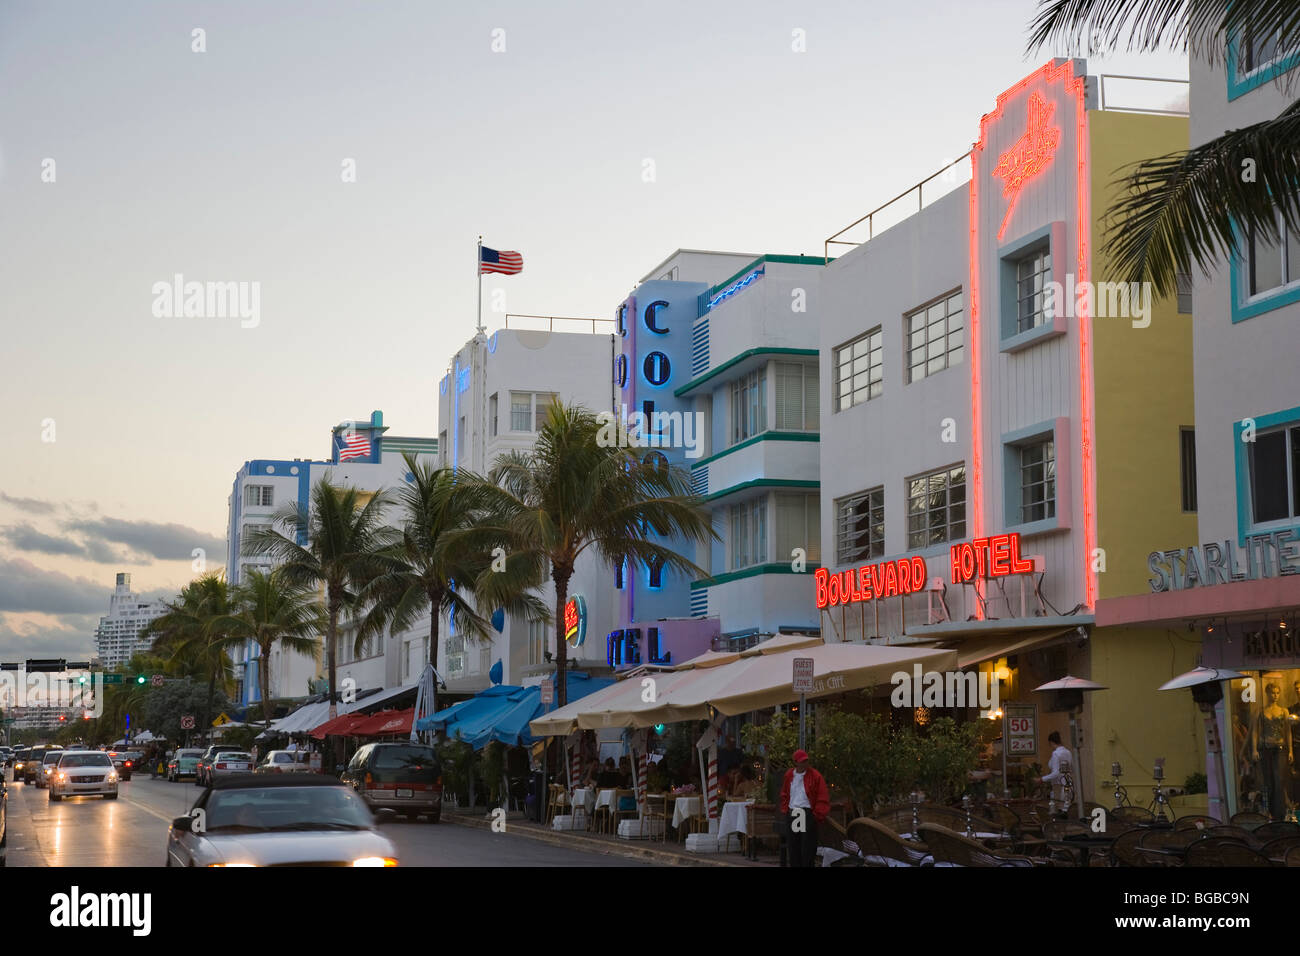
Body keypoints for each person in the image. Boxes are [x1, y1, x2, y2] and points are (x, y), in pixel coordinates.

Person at [779, 749, 829, 868]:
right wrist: (786, 809)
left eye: (806, 761)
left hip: (806, 813)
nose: (804, 764)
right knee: (794, 846)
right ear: (796, 762)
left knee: (807, 847)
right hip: (794, 812)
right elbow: (785, 793)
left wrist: (816, 815)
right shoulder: (789, 775)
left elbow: (822, 796)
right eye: (802, 761)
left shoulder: (815, 775)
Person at [1040, 731, 1073, 813]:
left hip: (1058, 784)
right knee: (1065, 808)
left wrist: (1042, 779)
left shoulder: (1056, 754)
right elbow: (1072, 767)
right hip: (1068, 783)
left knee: (1056, 809)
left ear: (1051, 742)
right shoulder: (1068, 752)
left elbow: (1055, 773)